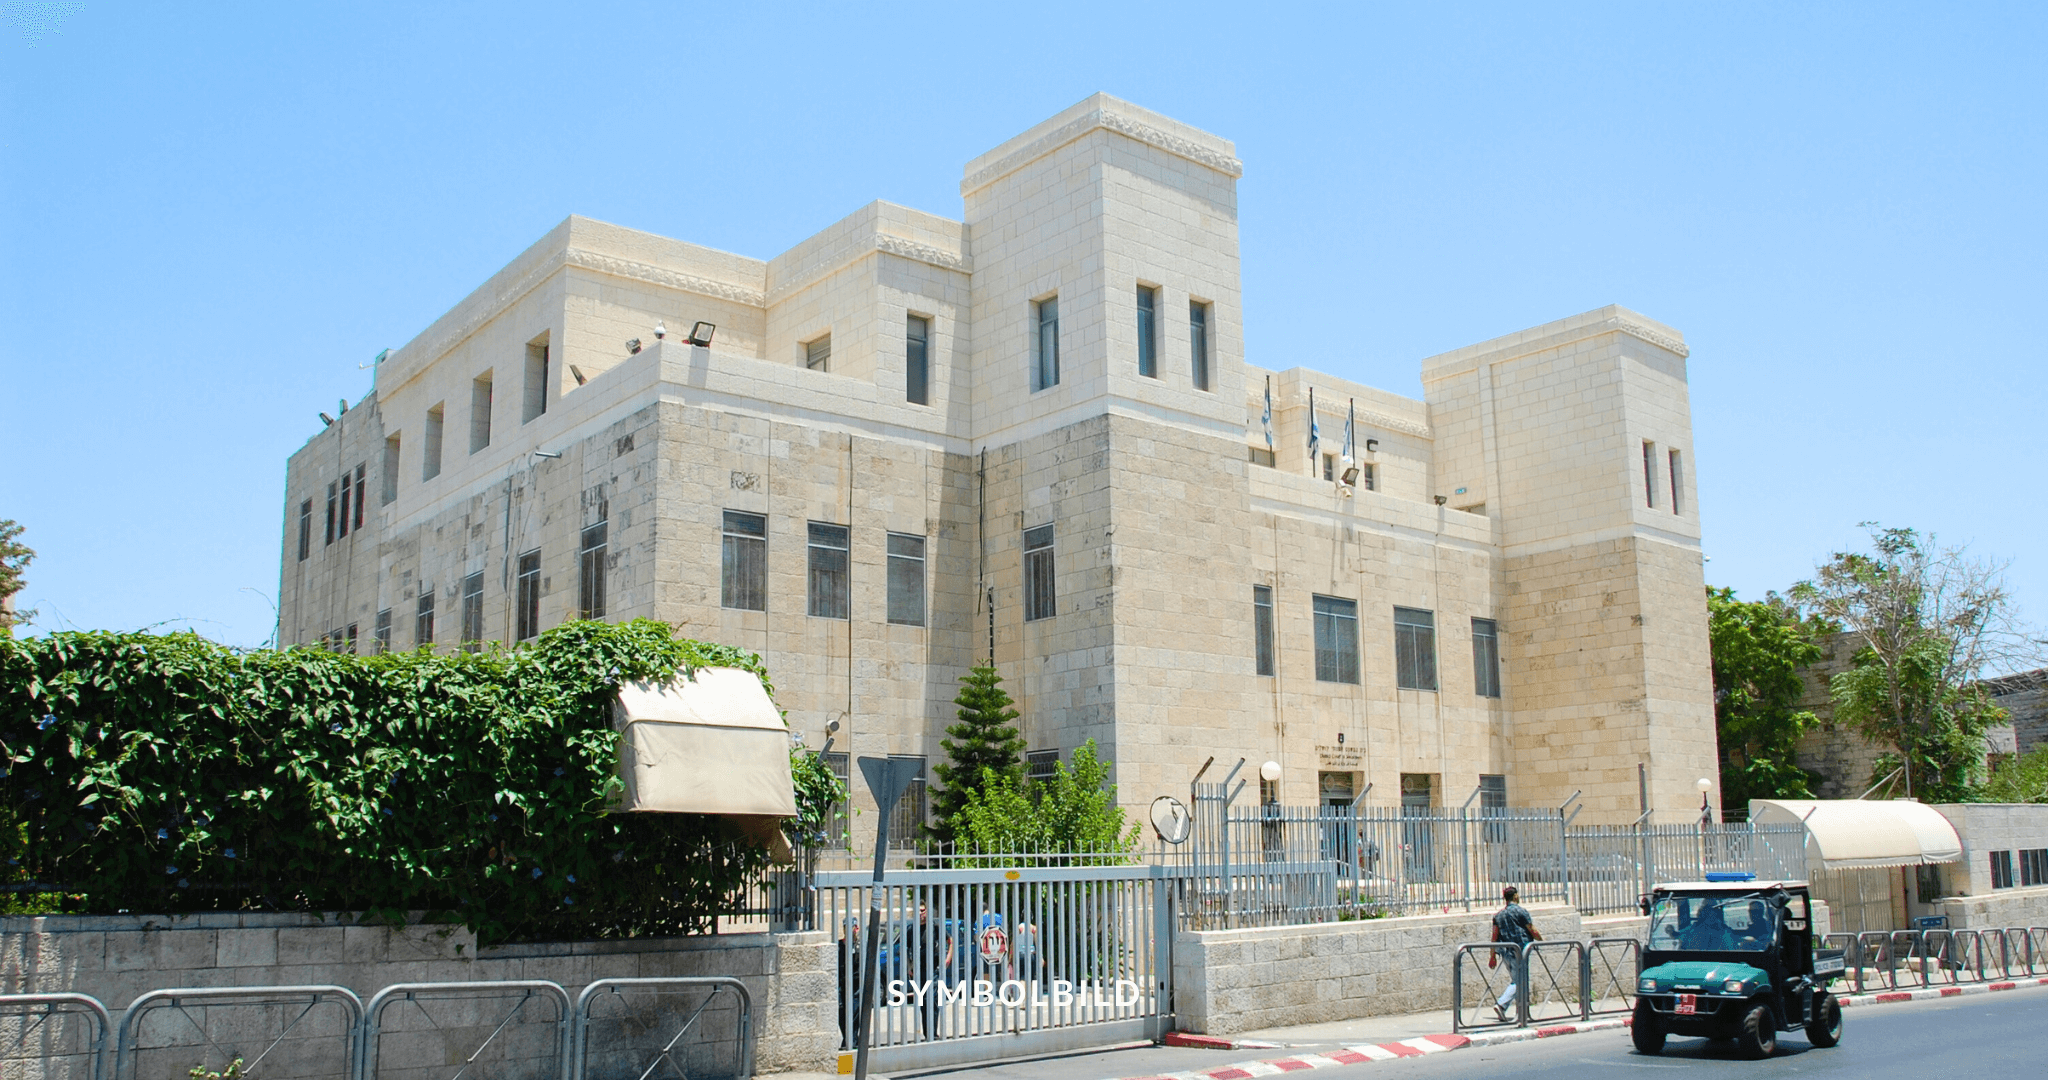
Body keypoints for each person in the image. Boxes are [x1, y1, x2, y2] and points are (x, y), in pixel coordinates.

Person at [1490, 885, 1542, 1021]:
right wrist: (1541, 940)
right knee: (1520, 981)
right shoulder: (1521, 912)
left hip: (1506, 953)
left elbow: (1494, 937)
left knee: (1517, 981)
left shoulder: (1498, 916)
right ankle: (1501, 1005)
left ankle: (1522, 1013)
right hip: (1521, 951)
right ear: (1515, 896)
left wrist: (1492, 957)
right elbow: (1532, 929)